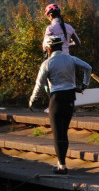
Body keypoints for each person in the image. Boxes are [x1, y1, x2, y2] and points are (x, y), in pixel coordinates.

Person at [28, 35, 92, 174]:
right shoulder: (70, 59)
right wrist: (84, 85)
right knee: (64, 131)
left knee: (58, 133)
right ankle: (60, 162)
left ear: (49, 48)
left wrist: (32, 100)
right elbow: (88, 67)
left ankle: (62, 166)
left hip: (56, 98)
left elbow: (39, 85)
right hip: (70, 97)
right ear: (61, 46)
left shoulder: (47, 63)